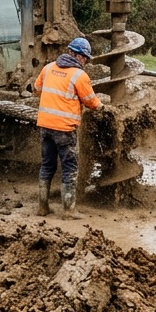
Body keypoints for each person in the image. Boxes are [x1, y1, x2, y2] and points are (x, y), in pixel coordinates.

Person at [34, 36, 104, 218]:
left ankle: (42, 207)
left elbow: (37, 90)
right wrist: (102, 107)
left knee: (47, 166)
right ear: (78, 56)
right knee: (70, 168)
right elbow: (91, 102)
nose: (86, 62)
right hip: (65, 129)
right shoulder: (79, 76)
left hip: (45, 126)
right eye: (85, 58)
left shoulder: (48, 68)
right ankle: (68, 210)